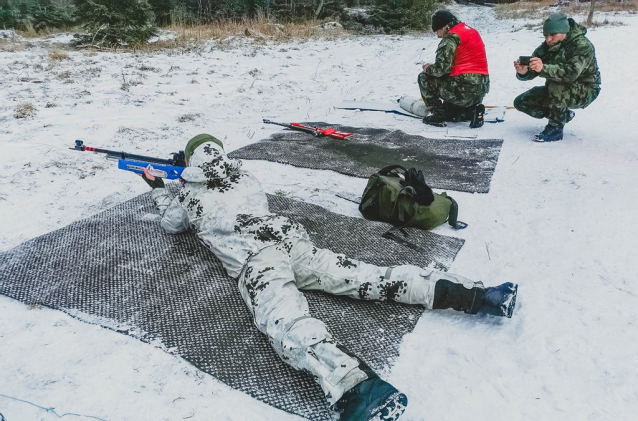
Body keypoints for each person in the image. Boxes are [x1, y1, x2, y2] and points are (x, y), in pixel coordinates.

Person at [141, 134, 519, 421]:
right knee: (371, 277)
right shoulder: (246, 176)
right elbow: (216, 179)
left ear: (190, 162)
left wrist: (162, 188)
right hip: (291, 242)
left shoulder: (189, 195)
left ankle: (356, 388)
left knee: (284, 321)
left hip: (256, 259)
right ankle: (475, 295)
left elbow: (172, 225)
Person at [513, 12, 601, 142]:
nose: (548, 39)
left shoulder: (582, 45)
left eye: (553, 35)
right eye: (546, 35)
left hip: (586, 90)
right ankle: (562, 115)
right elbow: (536, 67)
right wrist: (524, 71)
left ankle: (555, 128)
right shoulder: (548, 45)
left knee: (556, 84)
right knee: (521, 102)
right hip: (558, 89)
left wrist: (543, 68)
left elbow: (571, 73)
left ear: (564, 31)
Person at [418, 10, 490, 128]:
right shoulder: (471, 31)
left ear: (445, 27)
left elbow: (441, 70)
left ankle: (438, 115)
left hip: (463, 88)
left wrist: (428, 68)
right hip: (480, 89)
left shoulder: (451, 37)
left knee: (423, 77)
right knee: (451, 112)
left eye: (437, 30)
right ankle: (471, 110)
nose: (438, 35)